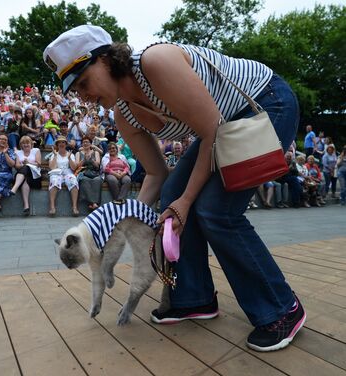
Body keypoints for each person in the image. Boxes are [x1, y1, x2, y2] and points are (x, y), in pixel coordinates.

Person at [45, 24, 304, 352]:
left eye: (83, 82)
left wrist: (186, 201)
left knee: (215, 210)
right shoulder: (123, 114)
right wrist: (126, 219)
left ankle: (282, 309)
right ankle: (194, 297)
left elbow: (211, 132)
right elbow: (156, 173)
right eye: (75, 90)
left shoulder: (156, 62)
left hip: (264, 105)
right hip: (221, 126)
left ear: (107, 59)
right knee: (172, 199)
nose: (83, 95)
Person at [9, 136, 41, 215]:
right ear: (21, 145)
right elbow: (17, 166)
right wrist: (23, 164)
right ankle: (26, 206)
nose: (26, 145)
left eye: (27, 143)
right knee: (25, 179)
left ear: (31, 144)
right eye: (23, 143)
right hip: (23, 175)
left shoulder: (36, 150)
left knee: (26, 167)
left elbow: (38, 164)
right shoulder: (18, 153)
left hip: (35, 174)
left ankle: (15, 188)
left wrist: (28, 163)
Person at [48, 136, 79, 217]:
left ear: (66, 144)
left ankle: (74, 207)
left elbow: (73, 168)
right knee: (54, 181)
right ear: (57, 145)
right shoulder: (54, 154)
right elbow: (52, 167)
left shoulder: (70, 154)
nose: (61, 144)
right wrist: (55, 156)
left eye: (63, 142)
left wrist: (69, 158)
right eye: (59, 143)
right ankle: (52, 207)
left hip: (68, 172)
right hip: (56, 173)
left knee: (73, 181)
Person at [75, 136, 102, 211]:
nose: (85, 143)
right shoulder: (78, 153)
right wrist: (84, 159)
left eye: (87, 142)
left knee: (97, 180)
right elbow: (77, 166)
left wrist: (91, 159)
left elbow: (97, 166)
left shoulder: (96, 152)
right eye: (84, 142)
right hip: (83, 173)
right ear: (81, 144)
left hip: (94, 172)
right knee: (84, 180)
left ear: (90, 144)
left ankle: (91, 203)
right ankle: (94, 203)